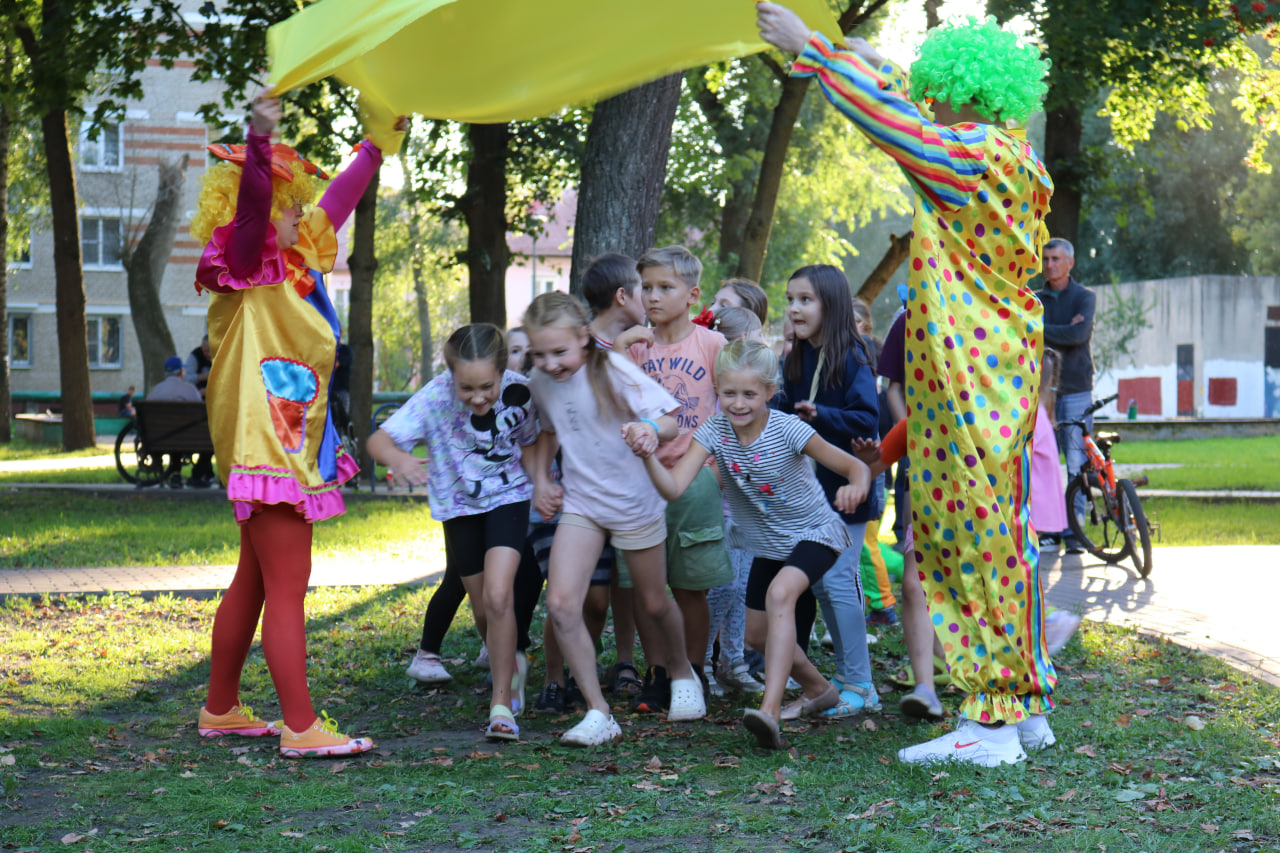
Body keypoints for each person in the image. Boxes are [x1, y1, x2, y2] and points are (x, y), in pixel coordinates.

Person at [757, 4, 1058, 766]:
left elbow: (902, 129)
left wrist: (817, 55)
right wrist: (859, 57)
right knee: (1006, 538)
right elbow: (910, 114)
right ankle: (1022, 706)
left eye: (932, 87)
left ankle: (989, 723)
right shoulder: (1016, 158)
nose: (925, 97)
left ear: (954, 88)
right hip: (1001, 372)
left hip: (966, 376)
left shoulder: (968, 157)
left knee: (966, 541)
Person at [190, 92, 404, 758]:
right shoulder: (245, 261)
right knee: (287, 584)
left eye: (291, 205)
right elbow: (256, 207)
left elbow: (333, 203)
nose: (294, 214)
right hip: (267, 444)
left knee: (253, 579)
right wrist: (259, 138)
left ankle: (221, 707)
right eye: (286, 205)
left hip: (281, 438)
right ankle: (301, 727)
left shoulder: (292, 265)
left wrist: (374, 147)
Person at [628, 339, 871, 749]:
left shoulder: (788, 428)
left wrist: (856, 487)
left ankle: (769, 712)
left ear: (768, 393)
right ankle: (819, 690)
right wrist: (648, 453)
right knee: (758, 636)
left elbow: (854, 466)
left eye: (749, 394)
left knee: (781, 595)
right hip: (768, 544)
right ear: (717, 391)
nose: (738, 404)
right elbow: (672, 488)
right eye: (729, 394)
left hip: (815, 532)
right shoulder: (714, 431)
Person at [524, 291, 706, 747]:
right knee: (563, 605)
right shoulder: (541, 381)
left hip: (634, 503)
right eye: (540, 354)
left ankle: (683, 674)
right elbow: (547, 431)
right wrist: (543, 481)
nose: (550, 363)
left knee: (653, 602)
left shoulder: (613, 370)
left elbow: (670, 420)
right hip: (583, 505)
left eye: (559, 352)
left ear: (584, 338)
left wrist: (647, 429)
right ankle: (598, 712)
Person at [367, 324, 539, 742]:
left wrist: (545, 485)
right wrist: (400, 461)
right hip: (458, 507)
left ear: (503, 373)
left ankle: (501, 705)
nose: (478, 398)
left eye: (487, 386)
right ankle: (510, 663)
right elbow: (378, 442)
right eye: (467, 388)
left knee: (500, 596)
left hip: (508, 497)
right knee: (482, 609)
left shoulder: (523, 391)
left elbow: (532, 443)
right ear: (450, 377)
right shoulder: (433, 396)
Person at [619, 246, 734, 711]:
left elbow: (730, 410)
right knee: (645, 588)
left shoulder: (711, 345)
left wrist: (719, 471)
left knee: (691, 584)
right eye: (646, 287)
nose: (653, 296)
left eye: (665, 287)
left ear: (692, 294)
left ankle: (694, 670)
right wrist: (623, 347)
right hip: (641, 478)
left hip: (694, 476)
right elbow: (618, 400)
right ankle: (658, 671)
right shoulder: (634, 347)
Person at [774, 264, 882, 719]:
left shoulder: (852, 356)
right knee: (819, 584)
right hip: (808, 494)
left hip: (845, 492)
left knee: (840, 579)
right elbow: (782, 409)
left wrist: (819, 415)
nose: (795, 308)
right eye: (790, 299)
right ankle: (844, 675)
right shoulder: (795, 357)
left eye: (806, 300)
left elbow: (865, 419)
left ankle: (863, 685)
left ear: (830, 305)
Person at [579, 253, 648, 697]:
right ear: (623, 296)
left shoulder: (639, 343)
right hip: (585, 484)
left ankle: (625, 661)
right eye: (644, 290)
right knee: (588, 592)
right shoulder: (579, 348)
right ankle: (567, 670)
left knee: (624, 580)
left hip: (629, 482)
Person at [701, 305, 767, 697]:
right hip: (718, 507)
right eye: (759, 341)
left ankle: (733, 661)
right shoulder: (721, 401)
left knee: (742, 588)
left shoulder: (751, 397)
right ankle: (701, 663)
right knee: (721, 588)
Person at [1039, 238, 1096, 555]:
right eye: (1046, 259)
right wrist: (1060, 328)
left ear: (1070, 262)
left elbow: (1080, 335)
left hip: (1076, 388)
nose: (1050, 265)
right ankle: (1048, 529)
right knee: (1045, 460)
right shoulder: (1034, 298)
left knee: (1077, 460)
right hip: (1042, 391)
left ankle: (1075, 530)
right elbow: (1027, 331)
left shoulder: (1084, 297)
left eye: (1056, 259)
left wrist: (1045, 327)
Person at [147, 356, 203, 489]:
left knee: (173, 433)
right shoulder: (190, 389)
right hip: (187, 440)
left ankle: (170, 474)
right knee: (180, 433)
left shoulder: (156, 390)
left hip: (158, 439)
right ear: (181, 372)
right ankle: (198, 474)